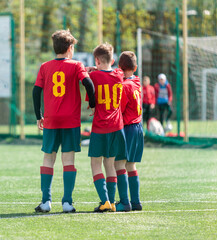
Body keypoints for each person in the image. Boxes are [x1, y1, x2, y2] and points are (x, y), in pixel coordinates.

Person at [32, 30, 95, 213]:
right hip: (71, 121)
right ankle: (67, 202)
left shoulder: (45, 66)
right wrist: (92, 103)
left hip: (51, 120)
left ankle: (46, 201)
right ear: (70, 48)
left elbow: (36, 92)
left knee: (48, 158)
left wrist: (39, 115)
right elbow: (88, 84)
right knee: (68, 160)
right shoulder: (77, 65)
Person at [86, 43, 127, 212]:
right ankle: (111, 201)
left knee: (96, 163)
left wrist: (91, 69)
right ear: (113, 59)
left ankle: (104, 201)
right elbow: (113, 69)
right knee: (110, 165)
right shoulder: (119, 74)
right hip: (117, 126)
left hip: (100, 126)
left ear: (97, 60)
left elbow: (91, 93)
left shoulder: (94, 78)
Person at [115, 51, 144, 212]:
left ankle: (124, 202)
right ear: (136, 67)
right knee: (131, 165)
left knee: (118, 164)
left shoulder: (124, 87)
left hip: (127, 127)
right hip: (138, 127)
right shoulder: (137, 82)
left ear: (120, 67)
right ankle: (136, 202)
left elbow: (120, 108)